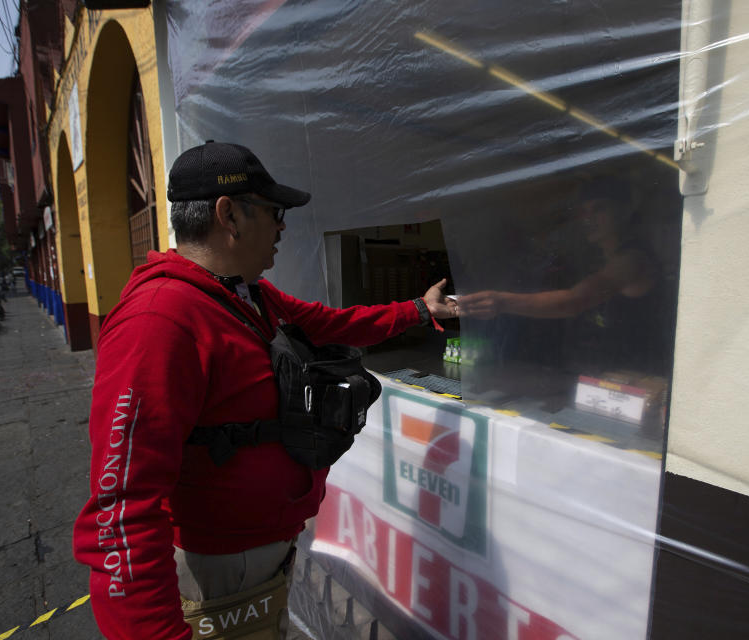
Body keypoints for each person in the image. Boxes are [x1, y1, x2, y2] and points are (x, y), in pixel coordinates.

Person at [72, 141, 457, 640]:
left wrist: (420, 311)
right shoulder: (160, 320)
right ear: (228, 215)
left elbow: (332, 324)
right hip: (219, 569)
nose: (281, 227)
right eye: (275, 213)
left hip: (260, 554)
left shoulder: (245, 294)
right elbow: (121, 506)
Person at [458, 176, 668, 374]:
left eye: (599, 209)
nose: (588, 219)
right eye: (583, 212)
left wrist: (500, 302)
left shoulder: (632, 259)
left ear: (624, 211)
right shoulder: (601, 259)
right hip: (605, 372)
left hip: (636, 375)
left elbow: (575, 301)